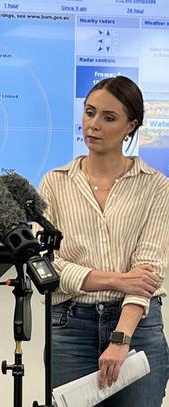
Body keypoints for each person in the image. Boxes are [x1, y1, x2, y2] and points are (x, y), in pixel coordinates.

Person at [39, 75, 169, 405]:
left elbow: (148, 271)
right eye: (89, 112)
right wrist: (118, 279)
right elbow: (49, 265)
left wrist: (121, 337)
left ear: (131, 126)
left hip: (137, 326)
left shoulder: (156, 186)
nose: (93, 125)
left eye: (108, 117)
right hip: (69, 327)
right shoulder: (55, 184)